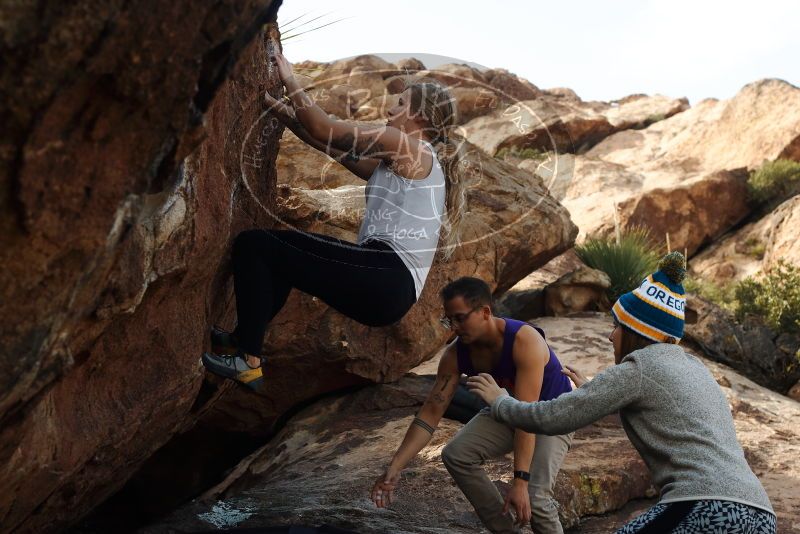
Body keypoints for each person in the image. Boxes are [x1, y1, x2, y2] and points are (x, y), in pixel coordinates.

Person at [202, 51, 469, 391]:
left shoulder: (408, 147)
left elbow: (324, 127)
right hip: (386, 287)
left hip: (385, 275)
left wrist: (289, 78)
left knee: (254, 245)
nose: (390, 110)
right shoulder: (404, 162)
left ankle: (248, 360)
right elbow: (328, 145)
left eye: (399, 104)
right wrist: (281, 110)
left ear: (418, 116)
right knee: (281, 257)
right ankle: (242, 342)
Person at [467, 252, 777, 534]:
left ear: (635, 332)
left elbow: (553, 417)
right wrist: (595, 390)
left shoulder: (638, 367)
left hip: (705, 505)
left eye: (617, 326)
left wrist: (501, 402)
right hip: (760, 514)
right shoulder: (693, 366)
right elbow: (663, 410)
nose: (610, 335)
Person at [371, 277, 574, 534]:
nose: (454, 327)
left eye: (460, 318)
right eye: (449, 320)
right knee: (456, 454)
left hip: (552, 415)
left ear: (485, 312)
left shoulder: (524, 341)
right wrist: (395, 467)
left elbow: (527, 416)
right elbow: (431, 412)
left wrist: (520, 482)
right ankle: (505, 530)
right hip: (508, 408)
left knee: (535, 497)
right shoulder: (456, 355)